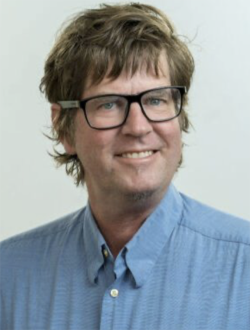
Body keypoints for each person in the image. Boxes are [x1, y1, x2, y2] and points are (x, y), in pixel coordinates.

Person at [1, 3, 250, 329]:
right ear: (64, 126)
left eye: (157, 100)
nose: (138, 127)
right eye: (108, 103)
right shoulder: (8, 275)